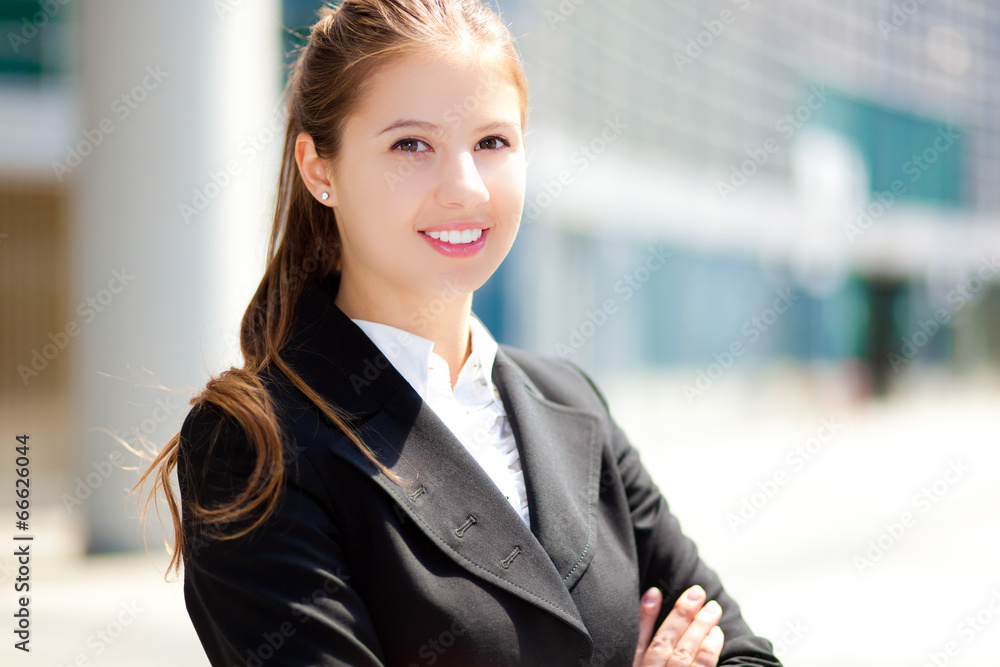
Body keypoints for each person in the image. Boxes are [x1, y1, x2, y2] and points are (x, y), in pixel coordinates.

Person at [137, 1, 782, 665]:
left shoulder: (570, 402)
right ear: (319, 168)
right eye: (410, 144)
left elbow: (742, 649)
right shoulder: (255, 441)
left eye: (492, 142)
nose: (465, 188)